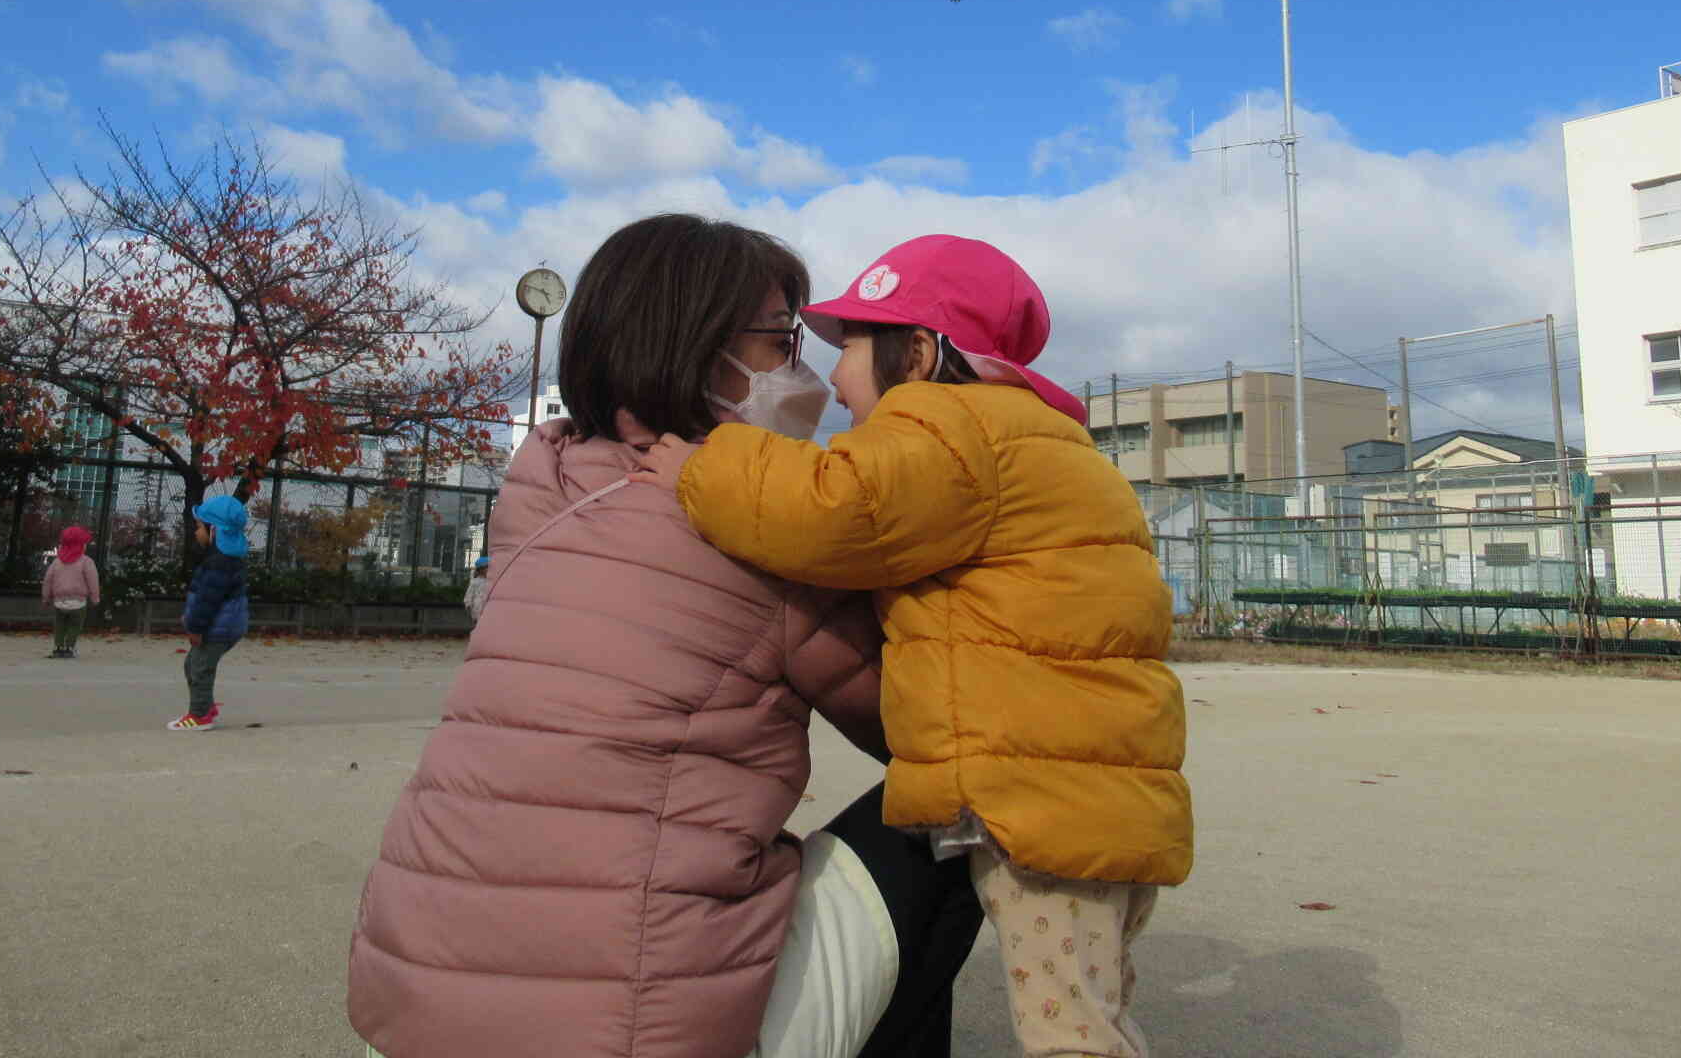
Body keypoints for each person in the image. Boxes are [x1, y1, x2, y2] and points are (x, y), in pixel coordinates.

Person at [349, 214, 984, 1058]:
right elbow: (927, 732)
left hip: (410, 1015)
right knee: (958, 808)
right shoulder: (753, 531)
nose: (814, 380)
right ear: (697, 348)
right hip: (629, 1037)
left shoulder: (540, 486)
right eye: (782, 341)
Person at [639, 235, 1193, 1058]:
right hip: (1089, 793)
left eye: (851, 349)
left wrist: (701, 466)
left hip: (1041, 802)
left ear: (921, 354)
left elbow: (832, 512)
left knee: (1069, 1035)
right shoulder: (1036, 438)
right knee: (1091, 1005)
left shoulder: (950, 428)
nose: (832, 378)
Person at [170, 495, 249, 731]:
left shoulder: (220, 562)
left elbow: (208, 601)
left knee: (200, 667)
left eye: (199, 527)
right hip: (222, 625)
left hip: (217, 627)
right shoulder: (224, 558)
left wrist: (195, 627)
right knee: (193, 664)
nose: (196, 533)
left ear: (213, 530)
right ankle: (206, 706)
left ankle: (200, 715)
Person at [41, 525, 102, 659]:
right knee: (75, 626)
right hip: (78, 602)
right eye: (84, 544)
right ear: (81, 545)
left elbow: (47, 580)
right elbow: (93, 581)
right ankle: (69, 647)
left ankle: (58, 647)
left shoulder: (57, 562)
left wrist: (46, 598)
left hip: (59, 601)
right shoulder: (86, 562)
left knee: (60, 625)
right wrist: (95, 598)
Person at [461, 553, 489, 627]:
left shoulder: (491, 581)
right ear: (481, 569)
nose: (489, 569)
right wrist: (468, 605)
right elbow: (469, 595)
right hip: (478, 608)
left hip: (488, 607)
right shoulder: (474, 582)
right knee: (480, 625)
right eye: (487, 567)